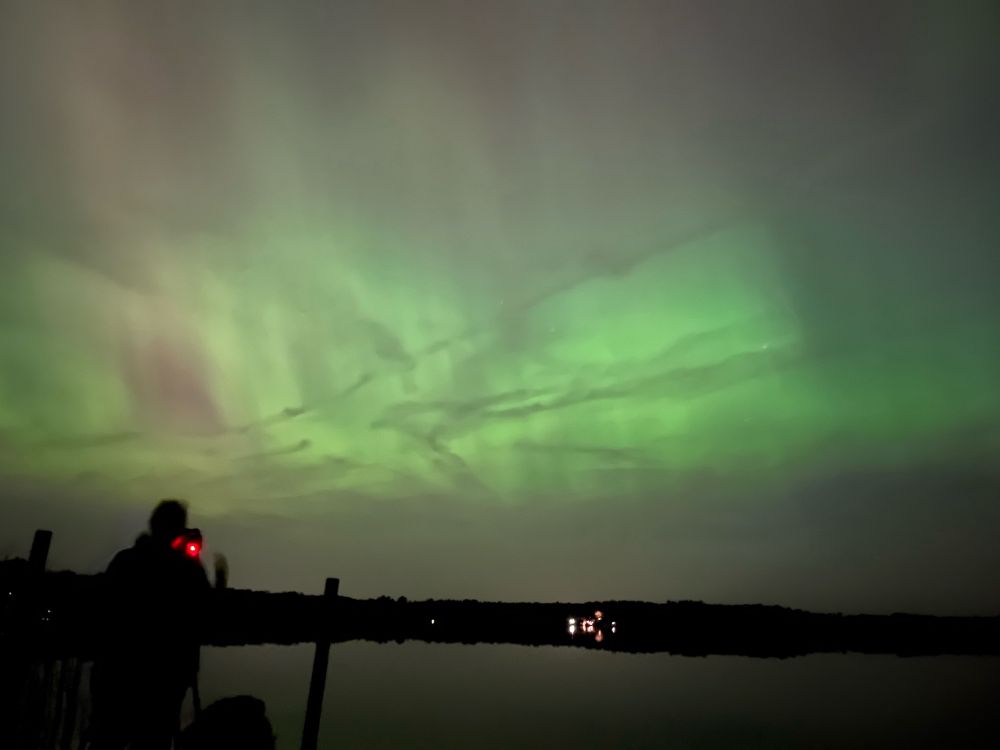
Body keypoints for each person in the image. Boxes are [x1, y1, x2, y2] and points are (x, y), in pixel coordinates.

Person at [87, 499, 210, 749]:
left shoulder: (127, 560)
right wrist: (193, 559)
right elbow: (204, 610)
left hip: (118, 673)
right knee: (151, 740)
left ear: (153, 525)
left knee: (108, 739)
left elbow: (103, 606)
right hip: (163, 680)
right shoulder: (185, 569)